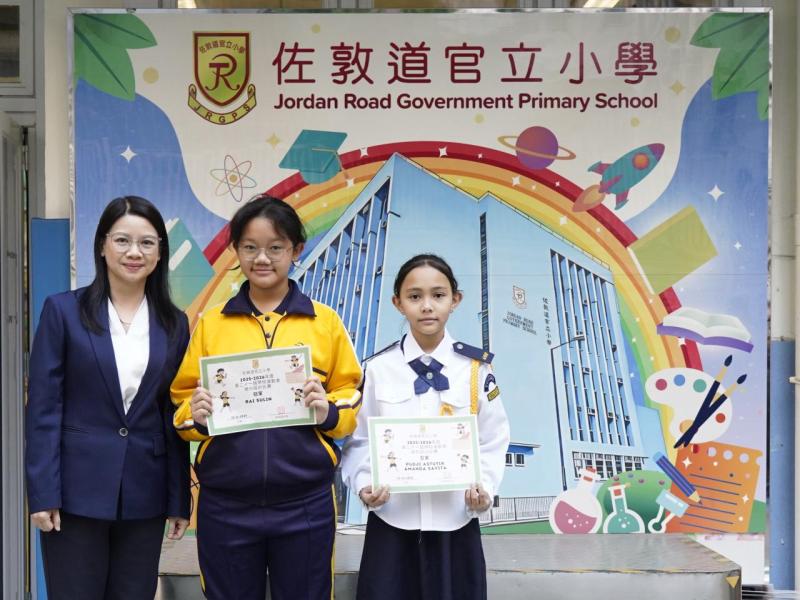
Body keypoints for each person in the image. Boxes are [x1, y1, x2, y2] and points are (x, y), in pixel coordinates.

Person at [170, 194, 363, 600]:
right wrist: (197, 415)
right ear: (236, 251)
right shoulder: (212, 324)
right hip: (226, 503)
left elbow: (350, 395)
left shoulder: (325, 322)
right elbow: (181, 405)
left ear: (296, 250)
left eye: (275, 247)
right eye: (250, 247)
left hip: (305, 502)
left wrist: (328, 411)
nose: (262, 258)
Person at [25, 196, 191, 600]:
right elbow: (44, 410)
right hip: (74, 494)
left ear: (160, 253)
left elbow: (171, 412)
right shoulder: (63, 311)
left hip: (145, 493)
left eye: (147, 243)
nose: (134, 252)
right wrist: (43, 493)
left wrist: (178, 499)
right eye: (122, 240)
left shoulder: (174, 323)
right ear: (102, 245)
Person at [341, 254, 510, 600]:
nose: (427, 306)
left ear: (455, 299)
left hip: (455, 519)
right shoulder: (377, 369)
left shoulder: (476, 369)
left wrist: (484, 488)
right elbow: (359, 439)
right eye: (415, 296)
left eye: (438, 295)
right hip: (392, 519)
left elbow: (494, 436)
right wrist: (364, 484)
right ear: (398, 303)